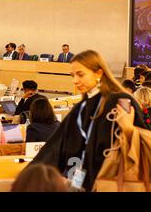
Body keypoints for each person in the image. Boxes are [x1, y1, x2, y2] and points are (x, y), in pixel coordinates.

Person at [30, 50, 148, 191]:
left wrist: (129, 129)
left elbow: (143, 141)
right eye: (72, 75)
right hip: (82, 179)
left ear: (98, 73)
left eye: (80, 74)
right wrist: (31, 175)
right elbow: (56, 145)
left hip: (113, 179)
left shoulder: (122, 100)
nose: (75, 81)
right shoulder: (81, 107)